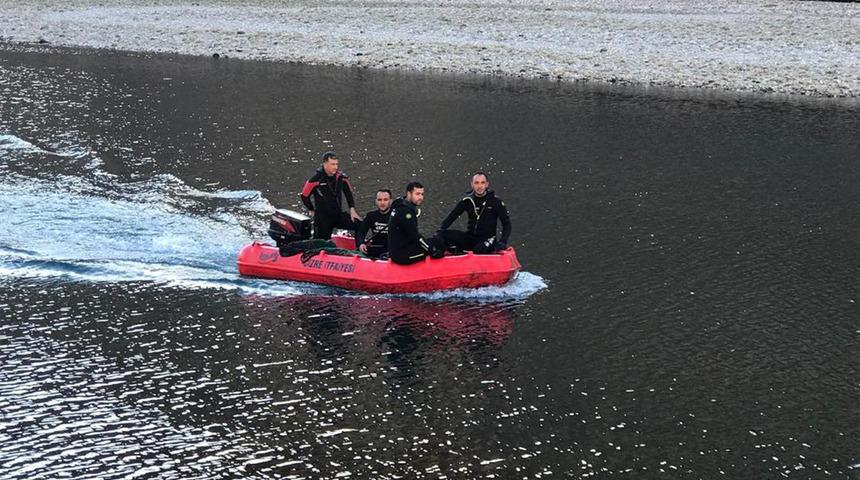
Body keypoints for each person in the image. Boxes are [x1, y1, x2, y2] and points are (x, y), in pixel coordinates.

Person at [438, 171, 511, 253]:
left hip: (488, 239)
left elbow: (506, 224)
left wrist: (503, 241)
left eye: (482, 183)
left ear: (487, 184)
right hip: (471, 237)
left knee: (478, 250)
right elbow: (451, 217)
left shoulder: (495, 202)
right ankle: (449, 253)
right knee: (443, 235)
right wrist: (440, 231)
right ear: (472, 184)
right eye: (476, 183)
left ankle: (464, 252)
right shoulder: (467, 201)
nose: (479, 186)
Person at [300, 151, 361, 239]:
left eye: (336, 164)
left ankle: (359, 248)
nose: (335, 167)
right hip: (323, 219)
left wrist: (352, 209)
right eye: (332, 164)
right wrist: (311, 209)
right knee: (321, 244)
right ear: (325, 164)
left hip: (337, 216)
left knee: (360, 224)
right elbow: (304, 196)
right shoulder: (315, 179)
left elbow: (348, 193)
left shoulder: (341, 177)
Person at [388, 182, 443, 265]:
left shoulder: (398, 203)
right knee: (438, 247)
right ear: (409, 194)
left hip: (399, 248)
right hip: (402, 256)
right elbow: (415, 236)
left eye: (422, 194)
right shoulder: (407, 214)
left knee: (436, 241)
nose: (420, 197)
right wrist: (432, 250)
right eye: (417, 194)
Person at [355, 188, 392, 259]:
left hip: (392, 249)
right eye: (379, 200)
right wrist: (361, 244)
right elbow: (361, 232)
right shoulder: (371, 216)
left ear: (390, 201)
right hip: (376, 248)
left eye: (385, 200)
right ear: (376, 201)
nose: (382, 203)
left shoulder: (397, 216)